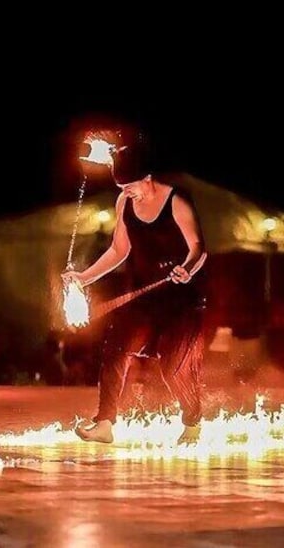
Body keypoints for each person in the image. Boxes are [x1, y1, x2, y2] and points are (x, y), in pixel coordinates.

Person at [62, 125, 208, 445]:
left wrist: (187, 269)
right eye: (122, 187)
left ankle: (193, 423)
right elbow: (119, 249)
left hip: (183, 303)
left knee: (172, 366)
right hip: (144, 300)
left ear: (147, 178)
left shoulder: (176, 201)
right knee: (116, 348)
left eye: (131, 186)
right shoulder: (124, 203)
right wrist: (84, 278)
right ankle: (104, 424)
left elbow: (199, 247)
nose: (127, 192)